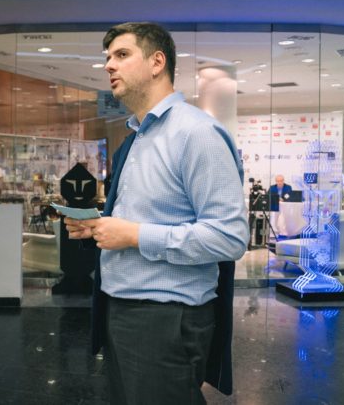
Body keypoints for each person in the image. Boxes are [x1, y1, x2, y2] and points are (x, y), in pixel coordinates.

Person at [64, 23, 249, 404]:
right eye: (107, 58)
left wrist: (133, 235)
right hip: (123, 310)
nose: (109, 66)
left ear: (157, 62)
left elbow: (229, 237)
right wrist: (99, 226)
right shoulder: (137, 138)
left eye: (121, 55)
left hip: (165, 318)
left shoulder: (196, 134)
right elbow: (143, 214)